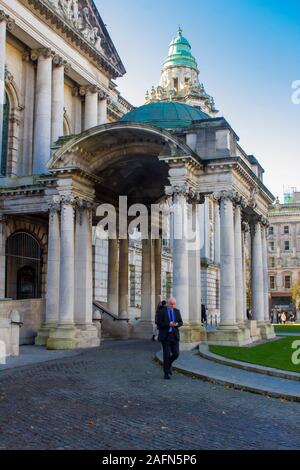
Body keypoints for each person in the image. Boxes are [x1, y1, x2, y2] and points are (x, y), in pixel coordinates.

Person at [156, 297, 183, 380]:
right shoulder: (161, 311)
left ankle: (168, 364)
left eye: (174, 304)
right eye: (171, 304)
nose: (173, 305)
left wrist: (176, 324)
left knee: (176, 354)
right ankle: (166, 373)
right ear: (167, 303)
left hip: (174, 335)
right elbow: (158, 323)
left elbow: (181, 322)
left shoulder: (176, 311)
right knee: (166, 355)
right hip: (165, 336)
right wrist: (168, 324)